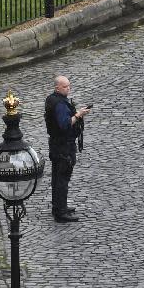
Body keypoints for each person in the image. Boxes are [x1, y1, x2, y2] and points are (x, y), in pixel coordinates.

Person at [44, 75, 91, 222]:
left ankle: (58, 206)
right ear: (57, 87)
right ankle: (61, 212)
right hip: (63, 146)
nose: (68, 89)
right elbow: (65, 124)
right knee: (62, 178)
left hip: (57, 144)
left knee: (58, 177)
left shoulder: (51, 99)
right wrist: (78, 115)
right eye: (65, 87)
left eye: (69, 86)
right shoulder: (59, 104)